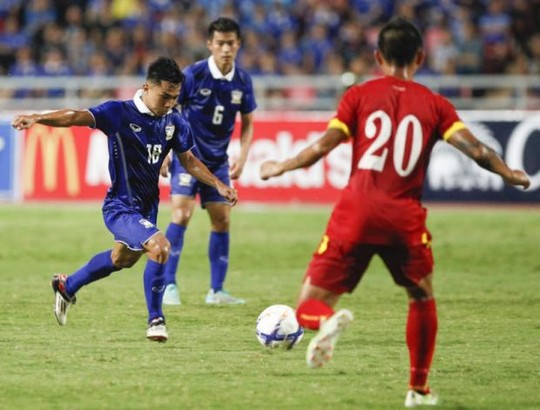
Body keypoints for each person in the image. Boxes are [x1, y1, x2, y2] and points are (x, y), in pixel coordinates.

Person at [259, 17, 530, 407]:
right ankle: (418, 389)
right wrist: (510, 173)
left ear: (377, 56)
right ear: (420, 57)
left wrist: (279, 166)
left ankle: (324, 322)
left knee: (306, 306)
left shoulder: (359, 96)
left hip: (356, 211)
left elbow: (321, 148)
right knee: (421, 297)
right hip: (403, 216)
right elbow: (480, 152)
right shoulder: (435, 105)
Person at [12, 56, 237, 343]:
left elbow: (189, 160)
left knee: (122, 258)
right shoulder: (118, 113)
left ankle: (68, 286)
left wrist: (218, 184)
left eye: (175, 97)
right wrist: (37, 118)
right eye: (165, 96)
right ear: (147, 87)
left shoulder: (175, 122)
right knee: (160, 247)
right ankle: (156, 319)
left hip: (147, 207)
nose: (169, 103)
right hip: (120, 206)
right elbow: (75, 116)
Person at [160, 17, 256, 306]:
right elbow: (169, 110)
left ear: (238, 44)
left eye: (231, 43)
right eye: (220, 43)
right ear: (210, 45)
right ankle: (169, 286)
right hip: (187, 156)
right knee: (181, 214)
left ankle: (216, 291)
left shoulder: (242, 80)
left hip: (217, 162)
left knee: (222, 219)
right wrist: (166, 150)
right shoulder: (193, 75)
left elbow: (248, 122)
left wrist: (243, 153)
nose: (226, 49)